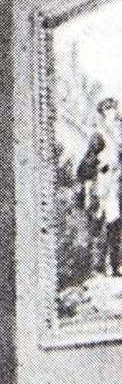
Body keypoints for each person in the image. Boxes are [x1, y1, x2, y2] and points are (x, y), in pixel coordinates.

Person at [77, 97, 122, 276]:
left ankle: (116, 265)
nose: (113, 113)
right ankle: (99, 265)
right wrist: (94, 175)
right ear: (103, 114)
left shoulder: (119, 132)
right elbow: (87, 164)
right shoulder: (100, 135)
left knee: (116, 225)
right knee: (105, 223)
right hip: (105, 185)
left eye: (114, 109)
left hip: (118, 183)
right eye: (108, 110)